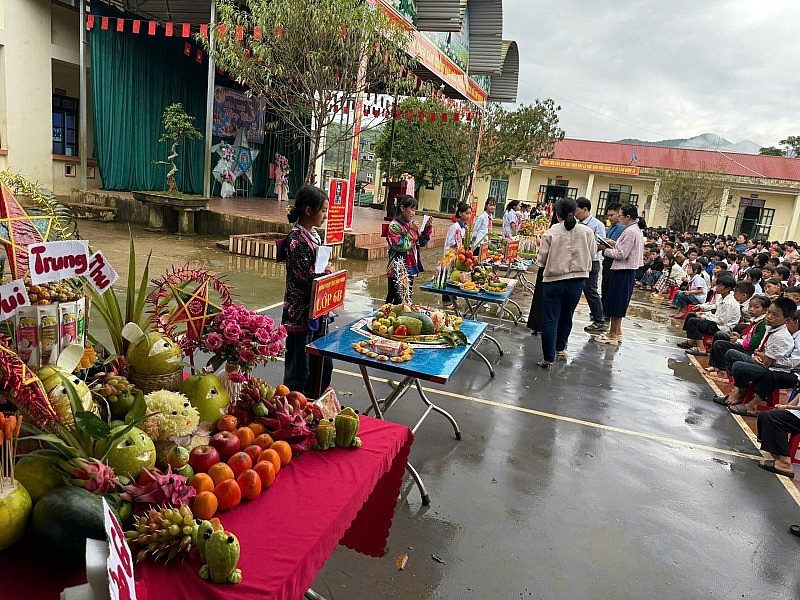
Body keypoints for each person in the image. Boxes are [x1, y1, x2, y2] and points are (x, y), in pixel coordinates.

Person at [281, 185, 333, 398]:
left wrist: (328, 275)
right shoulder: (295, 240)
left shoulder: (314, 236)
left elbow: (319, 269)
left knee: (322, 365)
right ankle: (292, 411)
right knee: (298, 370)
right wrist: (328, 276)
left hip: (317, 311)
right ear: (309, 211)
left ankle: (313, 405)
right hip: (299, 315)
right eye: (323, 210)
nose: (326, 216)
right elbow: (305, 279)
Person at [535, 197, 595, 367]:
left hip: (553, 281)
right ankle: (560, 349)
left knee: (550, 318)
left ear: (557, 214)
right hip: (577, 281)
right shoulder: (587, 232)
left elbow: (542, 260)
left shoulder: (551, 232)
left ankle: (548, 358)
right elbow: (592, 254)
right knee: (566, 315)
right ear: (574, 211)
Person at [714, 297, 797, 407]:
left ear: (787, 320)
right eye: (768, 312)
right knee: (731, 353)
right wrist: (755, 356)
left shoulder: (781, 337)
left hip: (772, 371)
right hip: (761, 362)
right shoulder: (770, 328)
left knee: (739, 366)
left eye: (775, 315)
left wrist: (758, 356)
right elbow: (758, 350)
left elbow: (766, 363)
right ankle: (737, 388)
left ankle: (740, 394)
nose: (769, 316)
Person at [594, 204, 645, 345]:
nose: (619, 218)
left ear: (628, 217)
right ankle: (617, 331)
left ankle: (612, 335)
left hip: (623, 270)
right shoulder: (634, 229)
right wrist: (613, 243)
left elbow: (622, 254)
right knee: (619, 302)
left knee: (617, 303)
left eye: (620, 215)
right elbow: (624, 248)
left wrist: (604, 250)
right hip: (627, 270)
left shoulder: (630, 231)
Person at [706, 293, 768, 379]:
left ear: (765, 310)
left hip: (749, 350)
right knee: (719, 335)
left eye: (756, 307)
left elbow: (753, 344)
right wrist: (740, 336)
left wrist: (738, 340)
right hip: (744, 342)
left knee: (720, 344)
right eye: (750, 306)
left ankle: (722, 372)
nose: (751, 309)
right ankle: (716, 366)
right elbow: (749, 335)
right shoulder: (755, 320)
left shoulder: (762, 324)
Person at [386, 195, 432, 305]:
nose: (413, 213)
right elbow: (402, 246)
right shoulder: (394, 226)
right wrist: (411, 231)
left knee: (405, 300)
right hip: (397, 270)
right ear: (402, 208)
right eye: (412, 209)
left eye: (415, 210)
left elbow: (421, 242)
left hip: (409, 268)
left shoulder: (410, 224)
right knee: (394, 302)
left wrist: (427, 228)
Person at [678, 274, 739, 356]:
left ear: (728, 289)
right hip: (718, 322)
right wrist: (703, 313)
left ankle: (701, 349)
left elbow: (721, 321)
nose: (717, 287)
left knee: (695, 322)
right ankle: (692, 341)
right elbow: (716, 310)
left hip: (724, 327)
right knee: (691, 315)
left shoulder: (729, 303)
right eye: (717, 285)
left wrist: (704, 316)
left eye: (720, 286)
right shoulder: (722, 298)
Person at [574, 198, 608, 333]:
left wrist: (585, 249)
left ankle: (599, 320)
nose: (575, 214)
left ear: (585, 209)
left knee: (590, 290)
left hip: (592, 261)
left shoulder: (597, 225)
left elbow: (602, 244)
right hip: (578, 261)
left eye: (577, 210)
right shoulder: (576, 223)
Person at [443, 202, 472, 307]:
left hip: (458, 257)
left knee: (455, 278)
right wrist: (459, 240)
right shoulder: (455, 227)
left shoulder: (465, 227)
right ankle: (446, 302)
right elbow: (450, 242)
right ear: (460, 213)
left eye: (470, 213)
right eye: (466, 213)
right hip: (450, 256)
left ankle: (453, 301)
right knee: (448, 278)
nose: (468, 216)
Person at [600, 202, 626, 313]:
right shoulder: (612, 226)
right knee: (605, 286)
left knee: (609, 287)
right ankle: (602, 309)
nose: (609, 218)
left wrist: (604, 247)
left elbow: (613, 246)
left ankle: (605, 311)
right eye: (608, 215)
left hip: (613, 260)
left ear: (619, 214)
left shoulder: (621, 228)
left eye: (612, 215)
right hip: (607, 259)